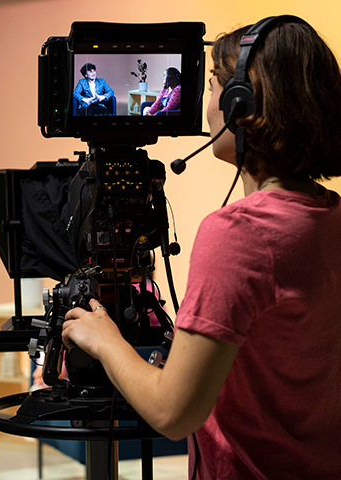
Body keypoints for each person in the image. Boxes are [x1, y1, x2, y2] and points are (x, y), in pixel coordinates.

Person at [58, 19, 341, 479]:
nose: (204, 105)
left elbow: (173, 415)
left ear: (239, 104)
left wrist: (105, 341)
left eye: (210, 86)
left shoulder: (240, 233)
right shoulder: (332, 217)